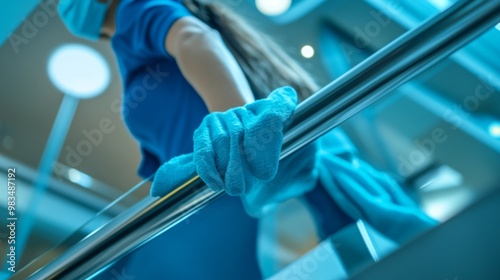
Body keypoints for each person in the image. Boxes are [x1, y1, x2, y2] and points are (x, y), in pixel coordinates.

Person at [58, 0, 436, 279]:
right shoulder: (127, 43)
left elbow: (195, 38)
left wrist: (242, 131)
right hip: (241, 207)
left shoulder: (135, 9)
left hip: (262, 197)